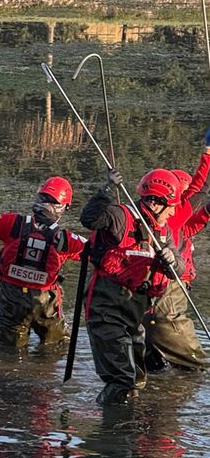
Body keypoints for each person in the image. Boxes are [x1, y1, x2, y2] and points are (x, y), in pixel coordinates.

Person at [80, 168, 186, 404]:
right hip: (106, 311)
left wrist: (171, 259)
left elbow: (179, 269)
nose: (173, 211)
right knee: (122, 380)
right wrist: (106, 190)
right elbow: (89, 219)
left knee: (137, 378)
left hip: (133, 315)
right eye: (171, 206)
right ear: (157, 203)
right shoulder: (120, 216)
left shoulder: (162, 231)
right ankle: (109, 433)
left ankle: (125, 427)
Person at [0, 176, 86, 349]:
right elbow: (98, 252)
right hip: (45, 302)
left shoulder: (13, 224)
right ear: (65, 207)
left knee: (8, 351)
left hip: (12, 300)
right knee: (56, 349)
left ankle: (9, 374)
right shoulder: (66, 239)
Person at [144, 132, 210, 371]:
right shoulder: (171, 220)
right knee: (184, 352)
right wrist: (207, 153)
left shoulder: (178, 223)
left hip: (173, 286)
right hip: (166, 290)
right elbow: (200, 188)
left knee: (153, 350)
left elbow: (196, 218)